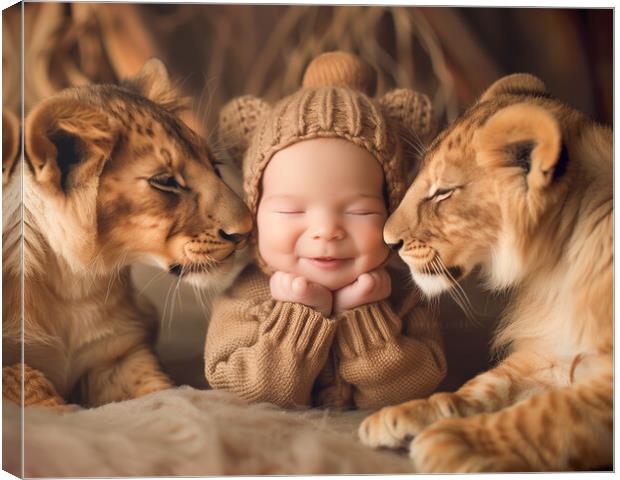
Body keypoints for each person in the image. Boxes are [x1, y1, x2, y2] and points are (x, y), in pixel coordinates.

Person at [204, 51, 446, 409]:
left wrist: (363, 315)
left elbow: (415, 391)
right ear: (254, 217)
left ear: (392, 211)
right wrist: (299, 315)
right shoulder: (244, 298)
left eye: (360, 211)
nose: (327, 231)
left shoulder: (404, 297)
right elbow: (243, 393)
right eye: (292, 209)